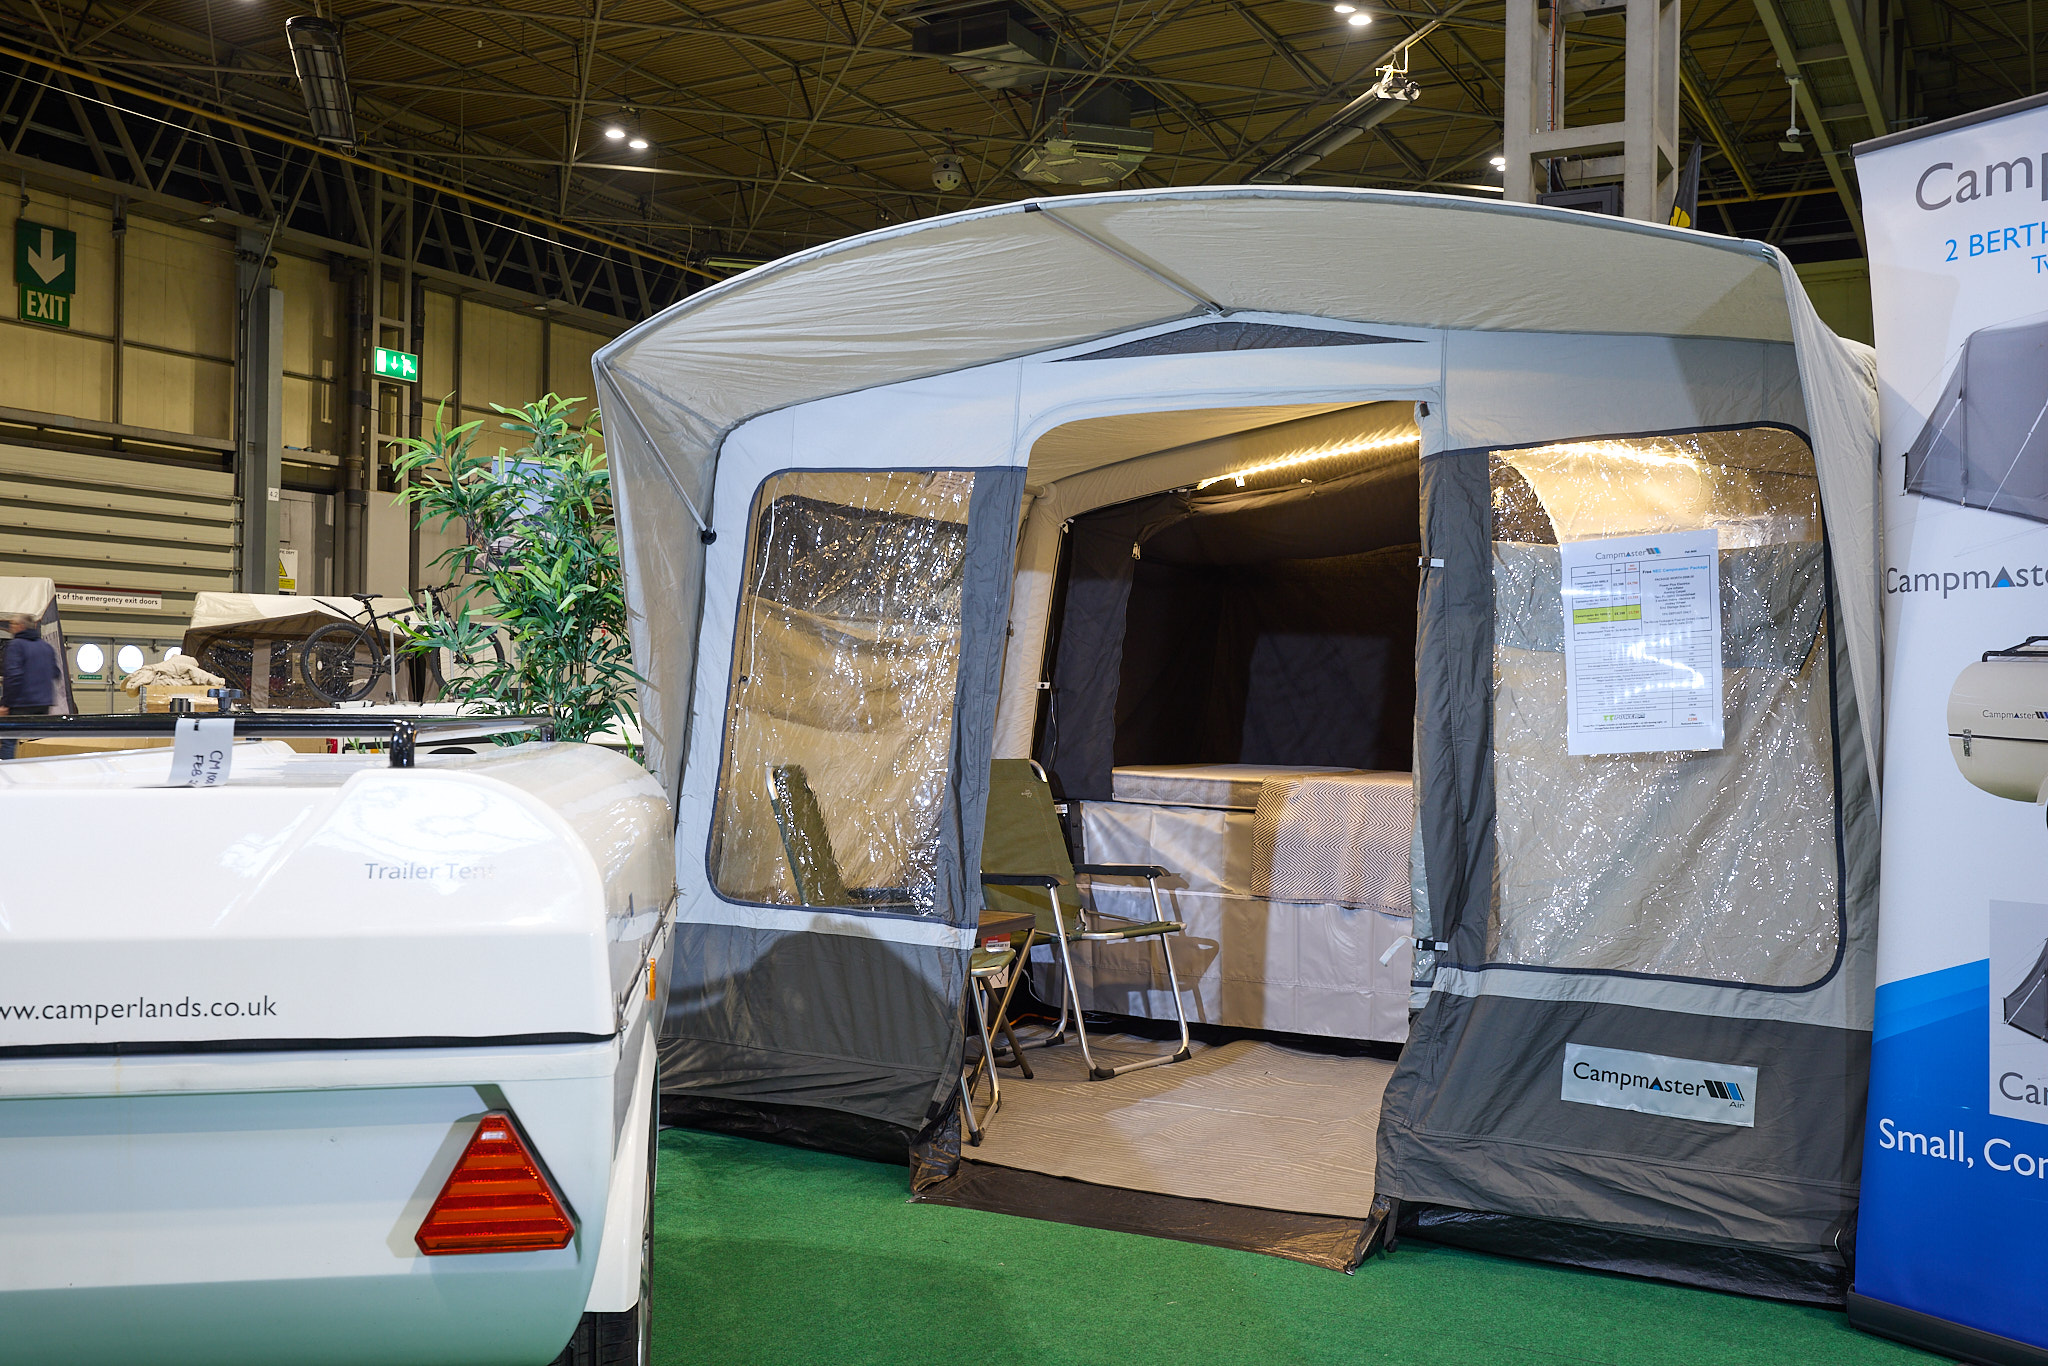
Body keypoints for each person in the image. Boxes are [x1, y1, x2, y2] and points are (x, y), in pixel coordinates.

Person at [1, 612, 59, 759]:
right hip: (44, 703)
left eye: (13, 624)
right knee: (36, 741)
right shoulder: (46, 647)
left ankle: (8, 775)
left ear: (20, 626)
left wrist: (5, 703)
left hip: (21, 702)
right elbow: (55, 673)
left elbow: (13, 676)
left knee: (9, 740)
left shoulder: (16, 645)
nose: (10, 627)